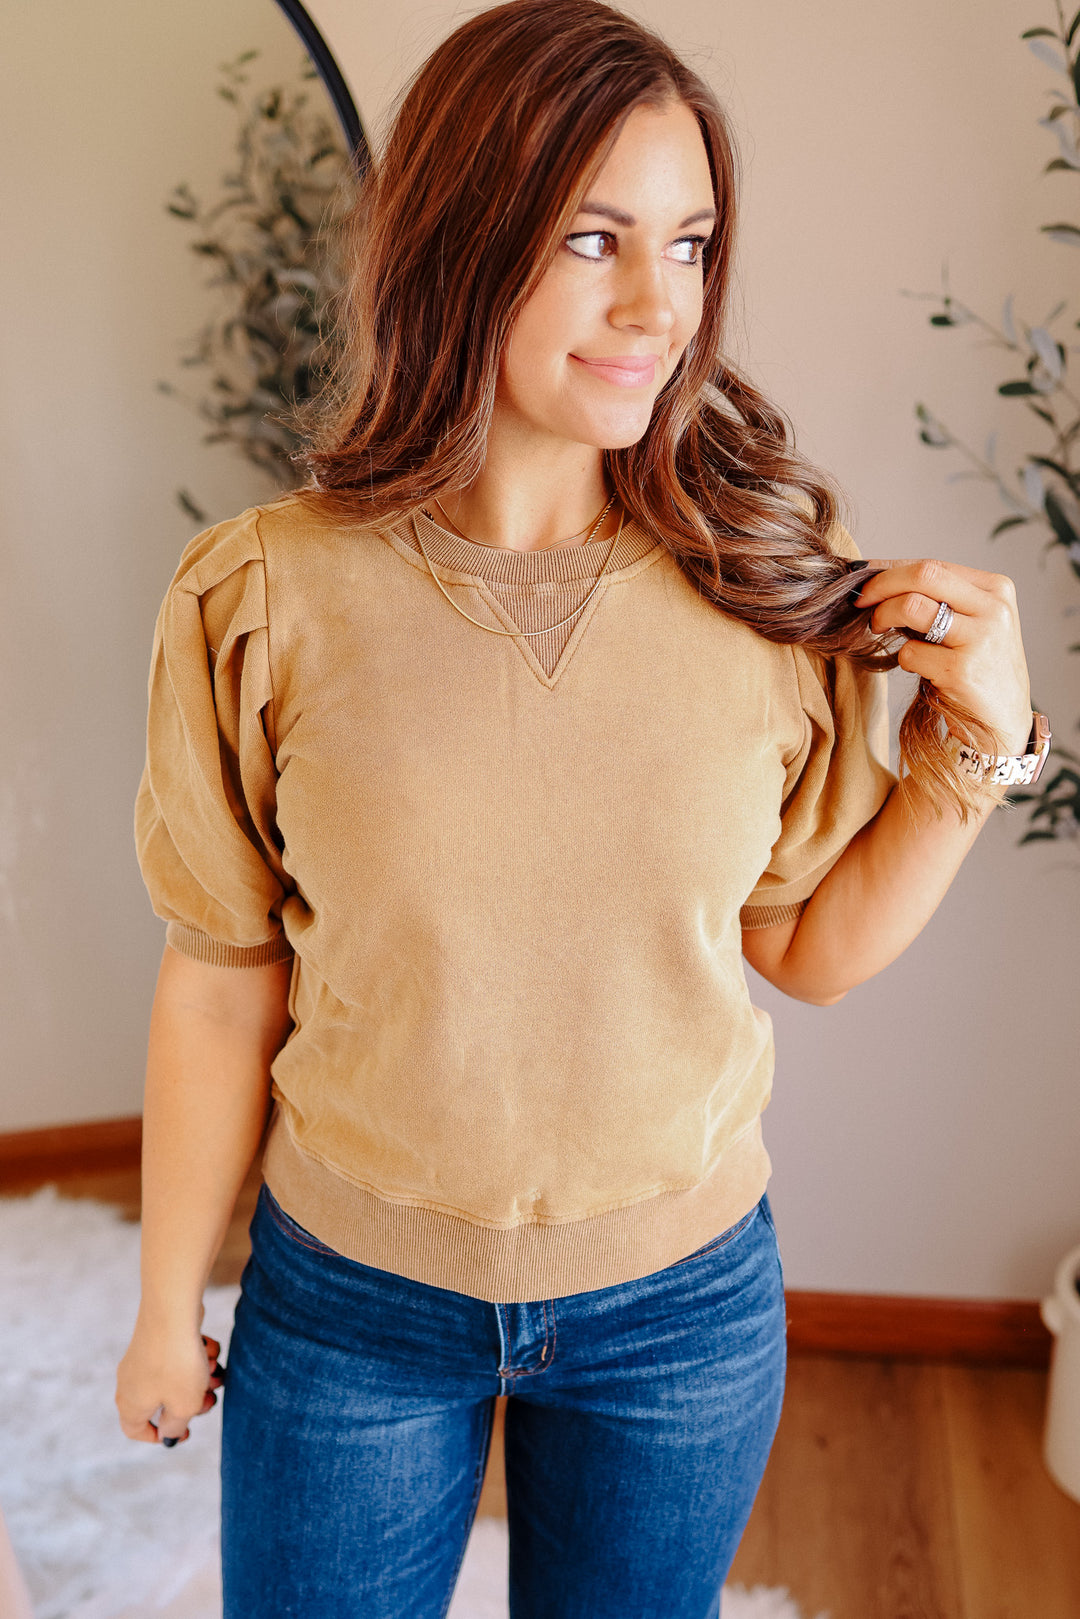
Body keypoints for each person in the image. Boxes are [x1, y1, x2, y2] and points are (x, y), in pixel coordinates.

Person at [115, 2, 1043, 1614]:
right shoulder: (261, 596)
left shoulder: (757, 592)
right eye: (593, 239)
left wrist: (982, 743)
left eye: (689, 245)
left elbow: (809, 953)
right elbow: (216, 981)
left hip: (679, 1313)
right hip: (351, 1303)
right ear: (458, 243)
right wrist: (158, 1304)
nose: (655, 306)